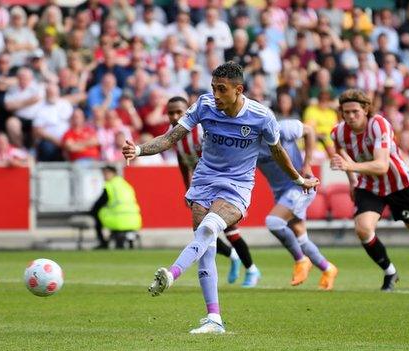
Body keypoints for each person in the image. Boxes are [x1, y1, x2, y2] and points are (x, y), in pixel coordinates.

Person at [122, 62, 318, 334]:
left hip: (237, 186)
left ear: (239, 90)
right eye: (213, 88)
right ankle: (213, 318)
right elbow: (171, 138)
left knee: (209, 228)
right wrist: (139, 149)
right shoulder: (204, 105)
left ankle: (172, 273)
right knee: (207, 248)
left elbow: (278, 153)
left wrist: (299, 179)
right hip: (203, 182)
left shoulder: (262, 116)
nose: (215, 94)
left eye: (221, 89)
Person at [330, 89, 409, 291]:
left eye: (355, 111)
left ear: (366, 109)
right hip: (369, 186)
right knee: (363, 229)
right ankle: (390, 272)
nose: (350, 116)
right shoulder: (338, 132)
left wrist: (351, 168)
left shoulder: (379, 124)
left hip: (398, 184)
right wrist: (351, 180)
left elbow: (382, 165)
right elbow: (340, 152)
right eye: (345, 112)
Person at [166, 96, 261, 287]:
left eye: (179, 111)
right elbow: (183, 164)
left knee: (230, 231)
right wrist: (189, 190)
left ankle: (251, 269)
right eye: (171, 113)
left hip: (224, 185)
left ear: (189, 110)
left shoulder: (202, 129)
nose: (175, 116)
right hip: (203, 189)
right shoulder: (173, 134)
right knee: (204, 232)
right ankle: (235, 258)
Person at [257, 115, 338, 290]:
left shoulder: (282, 128)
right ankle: (328, 268)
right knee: (301, 239)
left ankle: (301, 260)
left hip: (301, 187)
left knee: (274, 222)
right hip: (281, 193)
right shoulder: (247, 143)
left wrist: (307, 165)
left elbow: (310, 131)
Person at [90, 165, 142, 249]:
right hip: (135, 219)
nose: (104, 176)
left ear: (113, 173)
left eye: (106, 173)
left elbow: (99, 204)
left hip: (118, 219)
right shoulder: (126, 184)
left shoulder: (110, 186)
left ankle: (103, 243)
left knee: (96, 213)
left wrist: (91, 211)